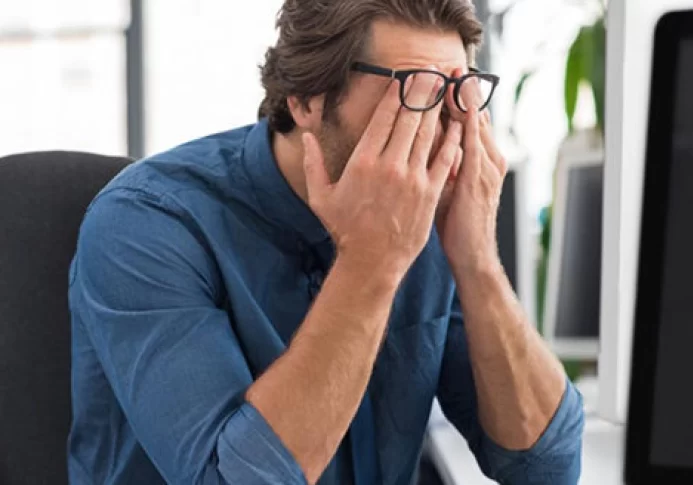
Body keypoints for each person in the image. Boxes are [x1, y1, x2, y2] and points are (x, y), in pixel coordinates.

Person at [67, 0, 584, 483]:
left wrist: (476, 259)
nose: (439, 127)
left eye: (455, 93)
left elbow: (546, 468)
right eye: (413, 90)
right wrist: (370, 262)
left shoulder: (432, 219)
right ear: (307, 99)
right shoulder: (146, 223)